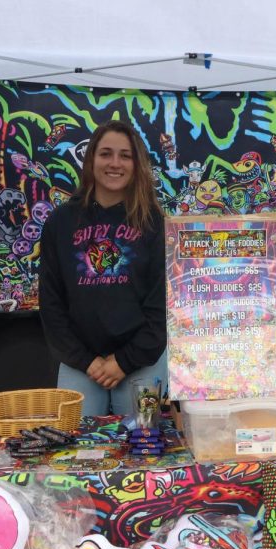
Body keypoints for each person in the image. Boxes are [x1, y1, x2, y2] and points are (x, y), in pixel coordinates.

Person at [38, 119, 167, 417]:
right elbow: (52, 303)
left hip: (141, 360)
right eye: (106, 153)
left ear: (137, 164)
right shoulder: (60, 222)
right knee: (75, 447)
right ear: (91, 159)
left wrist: (123, 361)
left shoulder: (152, 223)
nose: (115, 163)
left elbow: (162, 305)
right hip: (82, 362)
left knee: (143, 444)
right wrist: (87, 361)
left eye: (125, 155)